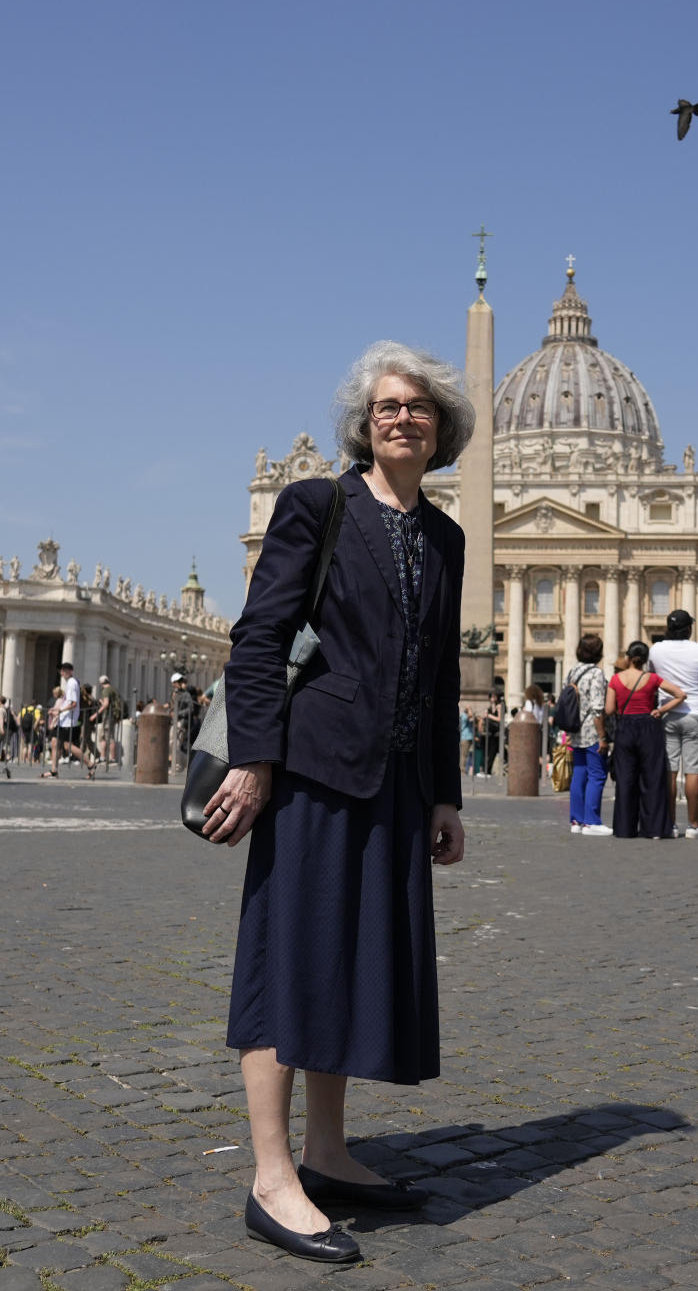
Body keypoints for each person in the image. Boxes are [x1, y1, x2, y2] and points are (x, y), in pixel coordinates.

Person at [199, 341, 473, 1267]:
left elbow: (437, 677)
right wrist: (256, 761)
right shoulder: (318, 504)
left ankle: (326, 1150)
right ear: (365, 421)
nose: (404, 418)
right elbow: (261, 635)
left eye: (421, 408)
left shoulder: (447, 535)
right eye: (389, 406)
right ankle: (271, 1178)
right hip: (312, 769)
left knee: (350, 961)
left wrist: (445, 793)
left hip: (395, 778)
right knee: (288, 959)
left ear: (443, 430)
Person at [648, 609, 698, 837]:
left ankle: (669, 824)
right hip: (696, 714)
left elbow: (653, 680)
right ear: (689, 629)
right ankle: (694, 825)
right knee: (693, 772)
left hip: (667, 714)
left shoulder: (656, 650)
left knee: (669, 771)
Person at [604, 640, 686, 838]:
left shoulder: (616, 679)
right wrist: (660, 709)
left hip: (625, 728)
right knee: (652, 778)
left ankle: (625, 829)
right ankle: (654, 829)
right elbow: (680, 694)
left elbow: (609, 710)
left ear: (628, 658)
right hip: (649, 726)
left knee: (625, 779)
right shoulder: (652, 678)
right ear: (645, 660)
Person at [564, 633, 610, 835]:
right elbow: (597, 708)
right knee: (597, 775)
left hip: (575, 730)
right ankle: (591, 821)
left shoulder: (572, 672)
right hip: (591, 730)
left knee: (579, 774)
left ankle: (576, 820)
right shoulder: (596, 674)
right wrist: (602, 736)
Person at [42, 661, 95, 778]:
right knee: (56, 742)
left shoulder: (71, 683)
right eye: (61, 670)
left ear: (71, 671)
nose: (62, 673)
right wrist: (57, 710)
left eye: (65, 670)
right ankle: (54, 770)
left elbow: (73, 703)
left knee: (67, 746)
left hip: (67, 721)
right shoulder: (73, 682)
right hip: (66, 719)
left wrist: (60, 711)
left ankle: (90, 764)